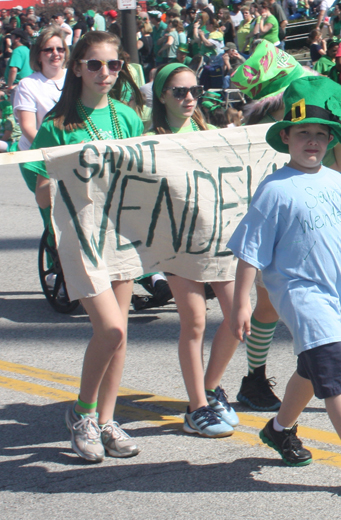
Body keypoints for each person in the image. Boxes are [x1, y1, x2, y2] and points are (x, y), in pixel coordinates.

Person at [228, 75, 341, 491]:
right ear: (287, 136)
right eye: (303, 132)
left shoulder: (336, 182)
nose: (312, 140)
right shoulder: (274, 190)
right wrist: (241, 304)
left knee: (312, 372)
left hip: (338, 296)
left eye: (321, 133)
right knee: (335, 370)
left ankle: (278, 429)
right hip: (300, 295)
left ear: (331, 139)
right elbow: (249, 251)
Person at [32, 31, 145, 462]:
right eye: (95, 64)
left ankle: (107, 420)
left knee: (122, 335)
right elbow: (42, 194)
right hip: (78, 237)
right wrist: (64, 172)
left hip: (120, 234)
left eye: (114, 65)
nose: (105, 73)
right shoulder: (55, 127)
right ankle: (82, 413)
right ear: (77, 66)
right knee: (110, 329)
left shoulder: (127, 118)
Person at [148, 63, 240, 438]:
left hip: (218, 236)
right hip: (176, 243)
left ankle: (210, 387)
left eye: (195, 91)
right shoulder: (149, 139)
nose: (189, 98)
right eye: (179, 92)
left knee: (238, 320)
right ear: (161, 96)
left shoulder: (210, 134)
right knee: (195, 323)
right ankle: (196, 407)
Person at [13, 27, 69, 229]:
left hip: (70, 150)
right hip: (38, 155)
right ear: (39, 54)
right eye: (49, 50)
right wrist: (53, 152)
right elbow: (28, 126)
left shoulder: (76, 79)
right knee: (54, 213)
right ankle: (56, 255)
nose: (56, 54)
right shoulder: (28, 84)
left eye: (60, 49)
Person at [4, 28, 32, 103]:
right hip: (29, 85)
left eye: (12, 36)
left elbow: (13, 69)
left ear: (18, 38)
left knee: (17, 112)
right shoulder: (27, 50)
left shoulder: (17, 51)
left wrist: (9, 86)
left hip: (18, 86)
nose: (11, 38)